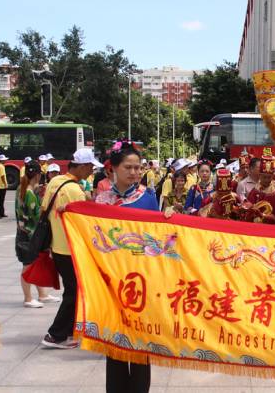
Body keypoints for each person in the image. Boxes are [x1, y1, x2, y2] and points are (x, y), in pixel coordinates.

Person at [95, 141, 156, 393]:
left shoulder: (148, 197)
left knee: (141, 345)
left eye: (138, 168)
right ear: (113, 169)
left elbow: (156, 237)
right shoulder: (102, 200)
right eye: (128, 167)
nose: (134, 173)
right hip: (111, 280)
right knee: (115, 343)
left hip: (142, 278)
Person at [41, 148, 102, 349]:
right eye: (90, 167)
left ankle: (68, 331)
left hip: (57, 245)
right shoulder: (75, 191)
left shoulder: (55, 182)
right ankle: (55, 334)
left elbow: (44, 209)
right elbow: (82, 222)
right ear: (82, 166)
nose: (91, 171)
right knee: (73, 292)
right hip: (70, 248)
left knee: (72, 289)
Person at [15, 160, 60, 308]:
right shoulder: (29, 194)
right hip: (29, 236)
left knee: (35, 264)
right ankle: (28, 298)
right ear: (37, 175)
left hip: (24, 234)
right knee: (28, 266)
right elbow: (36, 215)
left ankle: (42, 295)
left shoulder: (21, 189)